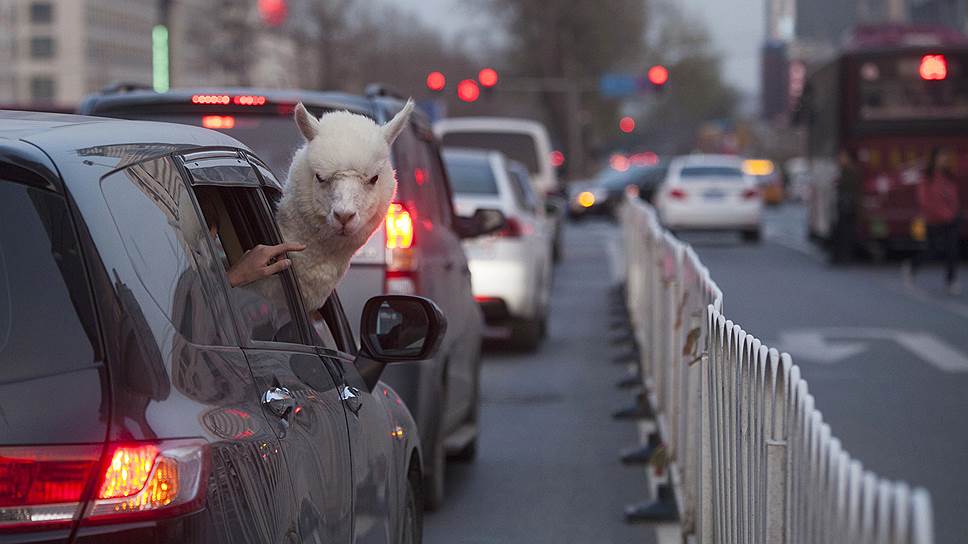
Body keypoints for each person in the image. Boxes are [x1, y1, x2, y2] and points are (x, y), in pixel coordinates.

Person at [904, 147, 962, 295]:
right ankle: (913, 266)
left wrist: (954, 212)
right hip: (933, 220)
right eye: (941, 157)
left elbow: (954, 197)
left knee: (952, 250)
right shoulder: (927, 176)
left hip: (951, 220)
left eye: (945, 157)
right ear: (934, 159)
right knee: (932, 250)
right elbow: (924, 200)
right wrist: (941, 213)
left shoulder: (948, 176)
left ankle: (951, 281)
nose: (943, 160)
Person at [831, 149, 862, 264]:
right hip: (845, 204)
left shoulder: (850, 171)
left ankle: (844, 256)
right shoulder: (844, 170)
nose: (840, 160)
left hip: (848, 205)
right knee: (842, 231)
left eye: (842, 157)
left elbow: (849, 187)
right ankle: (841, 256)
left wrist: (839, 183)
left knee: (845, 231)